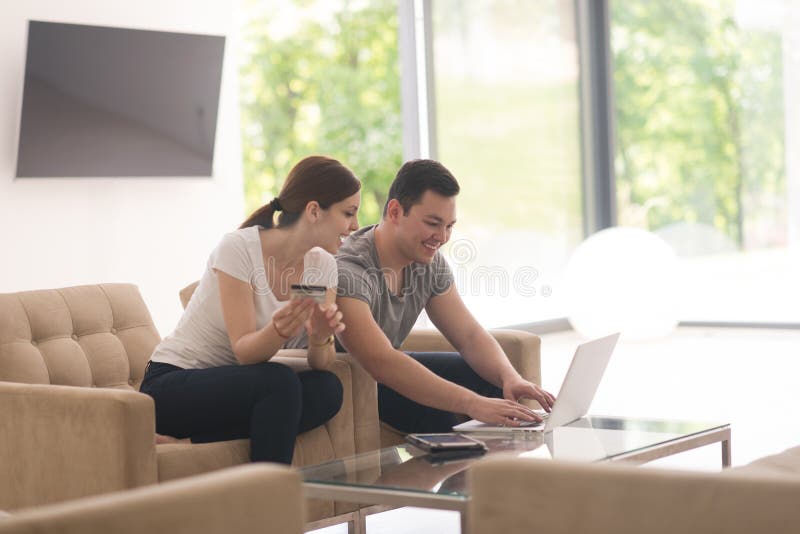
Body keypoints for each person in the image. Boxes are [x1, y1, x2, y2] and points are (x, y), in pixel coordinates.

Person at [290, 159, 555, 432]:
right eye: (433, 223)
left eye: (450, 226)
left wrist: (509, 377)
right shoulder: (349, 270)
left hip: (379, 373)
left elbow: (469, 336)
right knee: (444, 410)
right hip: (340, 377)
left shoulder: (427, 261)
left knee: (491, 383)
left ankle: (506, 472)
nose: (441, 237)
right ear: (395, 211)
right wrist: (471, 403)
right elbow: (381, 361)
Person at [140, 155, 361, 464]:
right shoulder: (240, 249)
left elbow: (319, 362)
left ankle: (192, 442)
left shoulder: (320, 266)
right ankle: (272, 498)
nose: (355, 226)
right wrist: (278, 330)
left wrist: (320, 337)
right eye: (348, 213)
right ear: (313, 211)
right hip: (172, 386)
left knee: (326, 389)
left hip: (237, 388)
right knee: (278, 382)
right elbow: (245, 352)